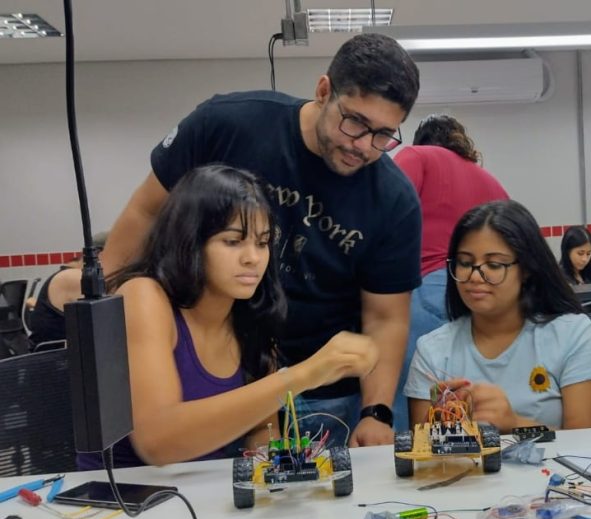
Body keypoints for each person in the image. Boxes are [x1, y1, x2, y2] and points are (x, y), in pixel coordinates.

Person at [101, 34, 421, 448]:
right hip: (197, 367)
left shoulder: (393, 200)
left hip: (303, 382)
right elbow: (146, 212)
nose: (363, 145)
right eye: (355, 122)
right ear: (323, 91)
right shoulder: (228, 124)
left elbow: (386, 317)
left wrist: (375, 411)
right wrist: (99, 320)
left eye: (383, 135)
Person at [78, 165, 378, 469]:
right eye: (233, 241)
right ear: (190, 241)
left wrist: (272, 468)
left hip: (199, 496)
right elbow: (157, 442)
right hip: (119, 502)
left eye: (262, 243)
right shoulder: (144, 296)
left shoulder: (251, 313)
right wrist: (304, 375)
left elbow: (263, 428)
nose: (253, 258)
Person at [404, 200, 591, 432]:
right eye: (465, 263)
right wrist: (438, 428)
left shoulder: (575, 336)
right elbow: (426, 454)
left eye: (494, 264)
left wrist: (515, 424)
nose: (475, 276)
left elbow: (590, 449)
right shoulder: (432, 351)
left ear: (526, 269)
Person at [391, 114, 509, 430]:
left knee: (411, 399)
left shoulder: (417, 156)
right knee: (475, 401)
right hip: (488, 294)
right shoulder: (491, 180)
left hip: (430, 287)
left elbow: (386, 205)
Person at [27, 232, 108, 350]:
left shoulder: (70, 272)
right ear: (98, 255)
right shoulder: (74, 278)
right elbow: (112, 317)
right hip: (51, 362)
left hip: (60, 357)